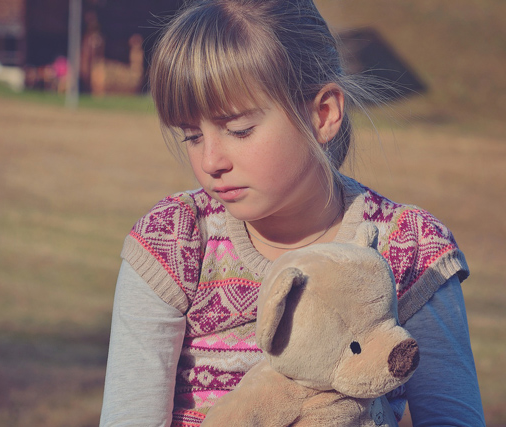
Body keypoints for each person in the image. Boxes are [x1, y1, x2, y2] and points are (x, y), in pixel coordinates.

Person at [99, 0, 485, 425]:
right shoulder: (174, 241)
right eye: (192, 135)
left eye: (238, 129)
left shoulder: (409, 248)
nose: (211, 160)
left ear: (323, 114)